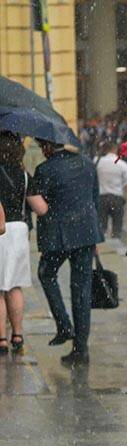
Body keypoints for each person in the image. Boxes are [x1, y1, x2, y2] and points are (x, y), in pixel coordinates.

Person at [26, 140, 103, 366]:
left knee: (46, 274)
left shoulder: (45, 169)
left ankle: (63, 324)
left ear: (47, 147)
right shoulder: (87, 164)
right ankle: (81, 348)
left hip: (57, 237)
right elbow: (94, 199)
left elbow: (38, 205)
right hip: (86, 234)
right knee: (81, 290)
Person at [0, 132, 31, 356]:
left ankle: (1, 338)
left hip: (1, 229)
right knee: (15, 285)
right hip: (19, 230)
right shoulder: (24, 175)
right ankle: (17, 334)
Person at [93, 142, 127, 240]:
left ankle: (102, 248)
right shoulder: (122, 164)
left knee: (101, 228)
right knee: (117, 228)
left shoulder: (97, 161)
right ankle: (116, 244)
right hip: (117, 199)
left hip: (101, 198)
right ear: (116, 150)